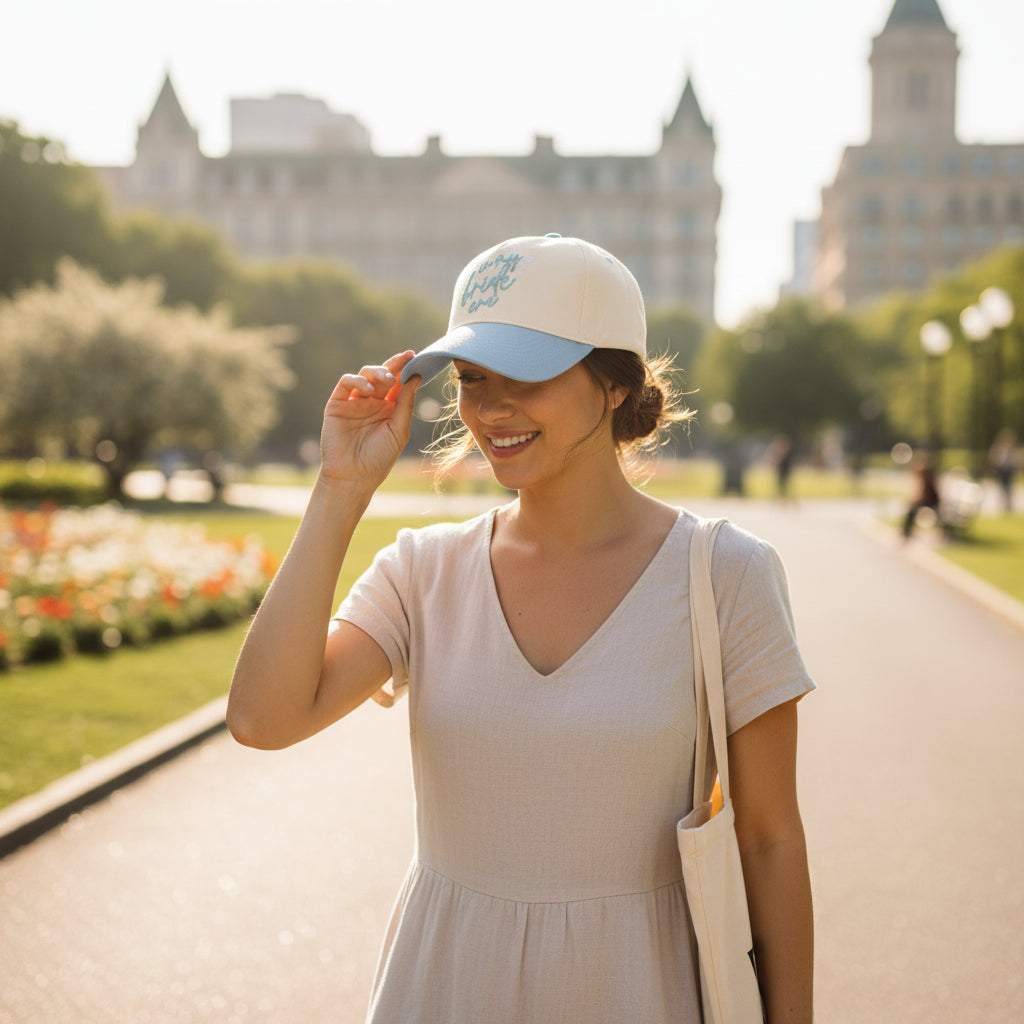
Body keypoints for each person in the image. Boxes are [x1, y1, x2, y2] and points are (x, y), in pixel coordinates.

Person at [228, 234, 816, 1023]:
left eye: (528, 375)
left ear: (615, 385)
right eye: (472, 379)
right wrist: (339, 490)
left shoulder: (725, 575)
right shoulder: (422, 571)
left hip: (640, 989)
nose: (490, 408)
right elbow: (263, 719)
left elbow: (771, 840)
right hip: (442, 986)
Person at [901, 453, 941, 539]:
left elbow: (926, 496)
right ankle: (906, 532)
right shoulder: (927, 478)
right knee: (911, 509)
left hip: (931, 502)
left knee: (911, 510)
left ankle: (906, 533)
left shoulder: (928, 480)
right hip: (929, 501)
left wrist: (915, 502)